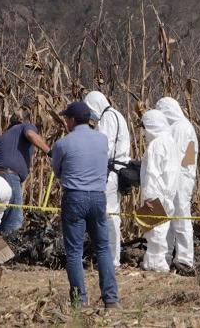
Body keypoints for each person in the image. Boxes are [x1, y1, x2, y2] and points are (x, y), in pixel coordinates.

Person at [51, 101, 119, 309]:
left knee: (74, 252)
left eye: (67, 118)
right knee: (103, 248)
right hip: (98, 197)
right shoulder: (102, 140)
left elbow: (57, 171)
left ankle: (79, 300)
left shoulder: (63, 143)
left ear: (72, 120)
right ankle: (111, 299)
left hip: (74, 197)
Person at [84, 91, 131, 268]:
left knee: (109, 215)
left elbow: (105, 146)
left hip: (110, 172)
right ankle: (109, 257)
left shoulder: (108, 117)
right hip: (115, 171)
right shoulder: (116, 116)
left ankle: (111, 259)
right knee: (110, 214)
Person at [0, 108, 51, 233]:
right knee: (13, 221)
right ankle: (8, 249)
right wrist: (50, 152)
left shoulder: (4, 135)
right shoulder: (25, 126)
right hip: (8, 176)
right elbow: (31, 135)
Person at [155, 97, 198, 271]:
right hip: (178, 176)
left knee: (180, 218)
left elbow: (175, 156)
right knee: (170, 218)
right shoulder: (179, 126)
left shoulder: (181, 127)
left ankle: (185, 258)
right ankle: (166, 255)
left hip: (180, 178)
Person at [139, 109, 181, 272]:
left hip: (156, 192)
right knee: (158, 230)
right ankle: (151, 261)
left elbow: (153, 172)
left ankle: (158, 263)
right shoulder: (170, 142)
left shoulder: (157, 145)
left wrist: (149, 196)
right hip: (167, 193)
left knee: (155, 231)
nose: (143, 133)